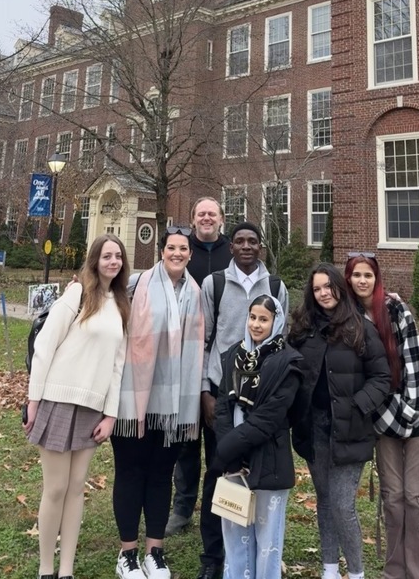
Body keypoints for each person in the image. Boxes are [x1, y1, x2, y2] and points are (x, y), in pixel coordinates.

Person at [24, 235, 131, 579]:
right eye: (106, 256)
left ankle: (66, 569)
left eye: (118, 256)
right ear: (95, 259)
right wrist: (33, 400)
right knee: (55, 488)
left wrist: (111, 414)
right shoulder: (78, 294)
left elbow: (118, 365)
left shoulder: (119, 303)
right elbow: (45, 344)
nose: (112, 261)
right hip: (57, 398)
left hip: (92, 408)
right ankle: (45, 569)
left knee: (76, 488)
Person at [196, 222, 289, 579]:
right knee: (220, 476)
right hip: (223, 398)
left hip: (264, 404)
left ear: (261, 247)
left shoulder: (276, 286)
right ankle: (214, 558)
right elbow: (206, 339)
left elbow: (283, 339)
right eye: (239, 241)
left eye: (253, 241)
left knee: (261, 479)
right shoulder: (214, 284)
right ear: (230, 246)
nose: (246, 246)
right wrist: (206, 388)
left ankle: (261, 557)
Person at [112, 227, 205, 579]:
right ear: (161, 250)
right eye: (171, 247)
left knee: (160, 476)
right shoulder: (137, 285)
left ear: (190, 254)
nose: (177, 253)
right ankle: (127, 554)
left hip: (175, 404)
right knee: (130, 472)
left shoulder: (195, 293)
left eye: (183, 248)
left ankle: (154, 551)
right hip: (133, 397)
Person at [289, 263, 391, 579]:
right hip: (314, 428)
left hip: (351, 429)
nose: (323, 293)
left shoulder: (360, 327)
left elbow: (381, 377)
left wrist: (358, 406)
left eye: (328, 286)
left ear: (339, 287)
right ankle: (330, 568)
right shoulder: (304, 329)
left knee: (343, 504)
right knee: (324, 500)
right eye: (317, 288)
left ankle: (357, 572)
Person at [344, 253, 419, 579]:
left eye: (368, 275)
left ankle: (418, 573)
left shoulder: (395, 310)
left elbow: (417, 365)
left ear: (376, 277)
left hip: (417, 416)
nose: (362, 281)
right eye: (356, 275)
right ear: (348, 279)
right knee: (393, 499)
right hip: (382, 420)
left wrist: (407, 413)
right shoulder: (349, 317)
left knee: (416, 497)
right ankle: (394, 573)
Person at [211, 295, 303, 579]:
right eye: (252, 317)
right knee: (236, 534)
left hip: (269, 460)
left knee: (267, 540)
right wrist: (232, 458)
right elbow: (223, 408)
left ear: (276, 322)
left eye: (264, 319)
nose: (256, 324)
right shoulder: (232, 356)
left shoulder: (289, 363)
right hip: (234, 464)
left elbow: (269, 418)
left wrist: (226, 448)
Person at [165, 197, 232, 572]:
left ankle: (220, 505)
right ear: (192, 220)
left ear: (221, 220)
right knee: (185, 441)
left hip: (221, 365)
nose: (206, 218)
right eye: (200, 213)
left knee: (218, 441)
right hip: (183, 359)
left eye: (212, 213)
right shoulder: (182, 252)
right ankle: (183, 504)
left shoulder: (232, 253)